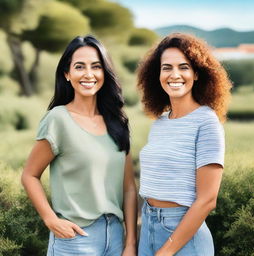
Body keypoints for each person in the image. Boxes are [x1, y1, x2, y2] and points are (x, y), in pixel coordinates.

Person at [21, 35, 137, 256]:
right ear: (67, 74)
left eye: (96, 66)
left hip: (115, 239)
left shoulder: (117, 121)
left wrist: (130, 242)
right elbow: (29, 175)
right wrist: (51, 220)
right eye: (79, 66)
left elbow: (129, 188)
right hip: (74, 241)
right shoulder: (58, 119)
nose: (88, 74)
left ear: (105, 72)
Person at [137, 33, 232, 256]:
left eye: (184, 67)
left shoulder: (206, 121)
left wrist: (166, 251)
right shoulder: (160, 123)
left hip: (182, 236)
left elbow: (207, 199)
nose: (175, 75)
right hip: (149, 226)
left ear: (197, 74)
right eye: (167, 67)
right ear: (157, 74)